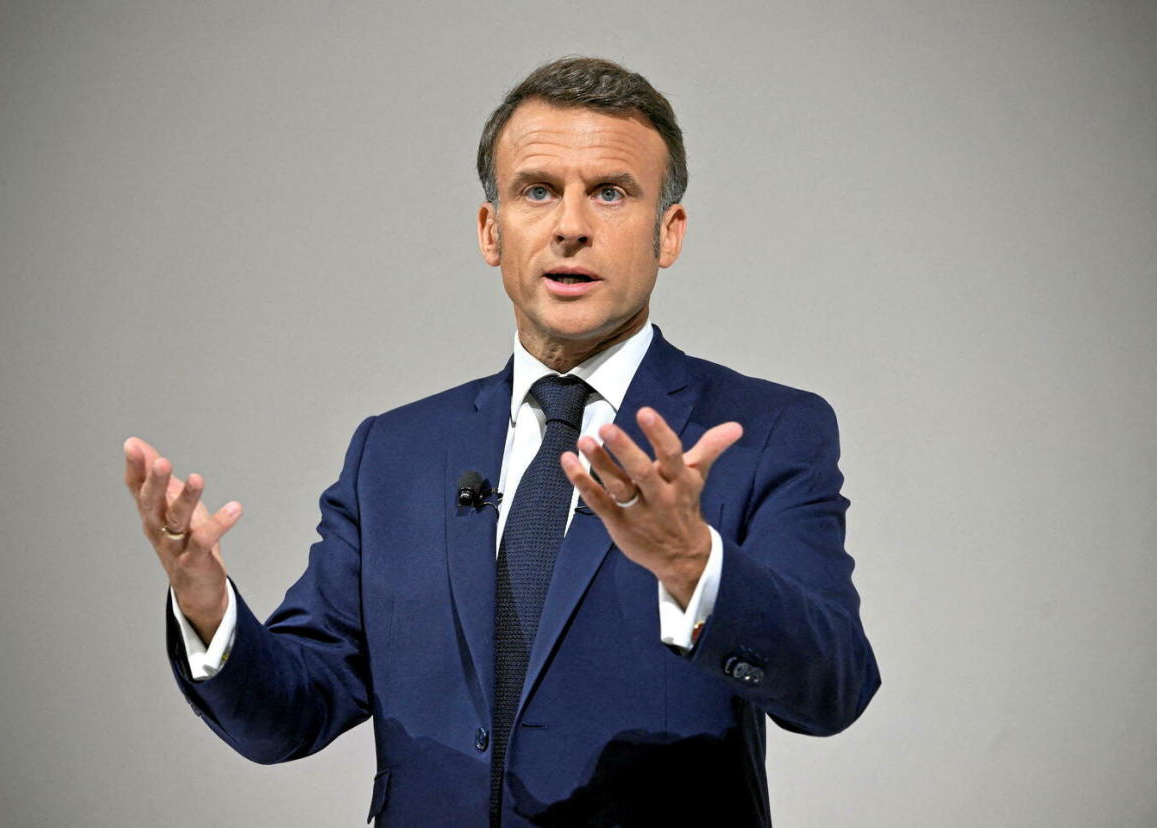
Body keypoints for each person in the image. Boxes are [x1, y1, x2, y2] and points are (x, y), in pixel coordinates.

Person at [123, 56, 880, 827]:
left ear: (668, 233)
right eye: (537, 190)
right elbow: (289, 714)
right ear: (492, 230)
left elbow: (834, 690)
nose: (571, 225)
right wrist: (209, 608)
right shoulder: (394, 453)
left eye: (611, 192)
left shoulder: (765, 432)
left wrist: (694, 564)